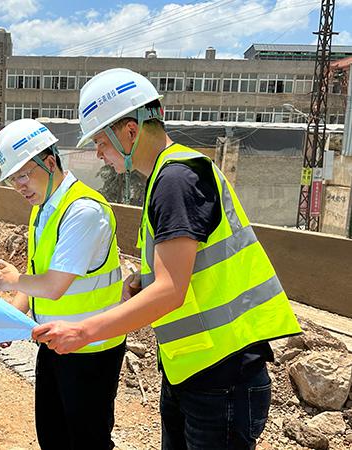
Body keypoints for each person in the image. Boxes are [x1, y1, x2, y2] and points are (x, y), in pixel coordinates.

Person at [33, 68, 302, 450]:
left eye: (101, 141)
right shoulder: (167, 176)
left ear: (130, 131)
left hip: (221, 375)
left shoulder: (176, 180)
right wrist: (143, 281)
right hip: (194, 368)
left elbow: (171, 290)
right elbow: (183, 273)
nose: (98, 153)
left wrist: (83, 332)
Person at [0, 118, 126, 450]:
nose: (19, 186)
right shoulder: (44, 207)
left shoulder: (83, 211)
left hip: (91, 350)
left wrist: (14, 280)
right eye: (13, 179)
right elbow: (36, 276)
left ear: (50, 163)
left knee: (87, 442)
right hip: (54, 344)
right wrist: (12, 318)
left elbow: (53, 285)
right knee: (52, 436)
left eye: (23, 175)